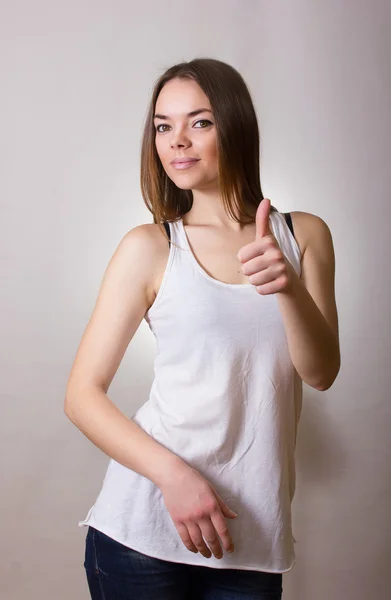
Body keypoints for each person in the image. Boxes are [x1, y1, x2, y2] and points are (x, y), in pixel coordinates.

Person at [64, 57, 341, 600]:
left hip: (253, 541)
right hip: (142, 532)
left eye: (200, 122)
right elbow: (81, 396)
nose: (177, 142)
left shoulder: (303, 236)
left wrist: (286, 286)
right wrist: (175, 477)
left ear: (235, 125)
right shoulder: (149, 247)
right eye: (164, 126)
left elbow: (322, 372)